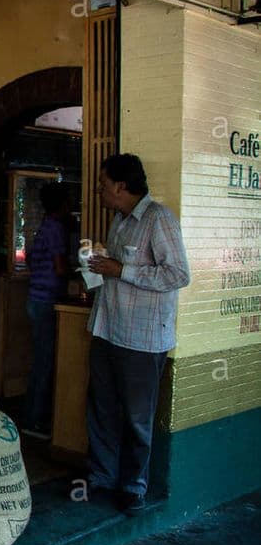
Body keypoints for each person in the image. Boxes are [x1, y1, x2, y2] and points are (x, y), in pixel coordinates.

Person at [85, 154, 190, 515]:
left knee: (136, 416)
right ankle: (102, 476)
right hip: (107, 329)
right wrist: (99, 266)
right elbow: (116, 271)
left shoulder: (159, 220)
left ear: (121, 186)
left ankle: (133, 486)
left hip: (142, 339)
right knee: (102, 407)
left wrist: (122, 269)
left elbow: (177, 275)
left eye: (103, 183)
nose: (99, 189)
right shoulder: (119, 220)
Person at [22, 183, 70, 439]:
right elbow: (60, 268)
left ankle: (32, 415)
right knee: (45, 361)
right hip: (46, 301)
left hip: (34, 298)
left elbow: (30, 260)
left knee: (41, 359)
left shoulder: (42, 228)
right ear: (63, 204)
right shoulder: (56, 229)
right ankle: (33, 420)